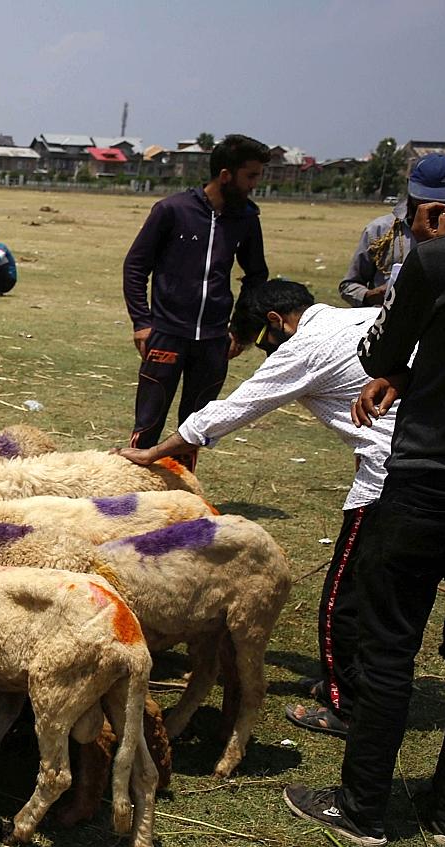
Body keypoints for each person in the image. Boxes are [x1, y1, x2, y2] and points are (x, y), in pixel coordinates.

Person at [118, 280, 391, 738]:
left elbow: (231, 410)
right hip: (432, 458)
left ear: (275, 322)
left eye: (263, 344)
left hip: (389, 476)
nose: (268, 353)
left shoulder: (304, 346)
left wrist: (151, 454)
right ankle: (349, 682)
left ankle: (346, 703)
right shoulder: (360, 318)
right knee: (385, 589)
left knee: (345, 596)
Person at [282, 227, 445, 847]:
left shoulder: (442, 259)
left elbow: (377, 350)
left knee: (388, 646)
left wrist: (401, 374)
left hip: (428, 483)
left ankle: (363, 808)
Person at [123, 133, 270, 469]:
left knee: (195, 427)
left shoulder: (247, 218)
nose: (254, 184)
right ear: (225, 175)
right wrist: (142, 322)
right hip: (166, 334)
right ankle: (132, 497)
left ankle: (181, 496)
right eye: (251, 176)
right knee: (147, 425)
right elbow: (135, 266)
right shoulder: (171, 210)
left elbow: (256, 275)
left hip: (214, 342)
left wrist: (240, 330)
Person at [338, 154, 445, 307]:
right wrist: (369, 296)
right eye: (422, 198)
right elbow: (348, 285)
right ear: (409, 185)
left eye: (438, 199)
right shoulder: (380, 231)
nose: (429, 205)